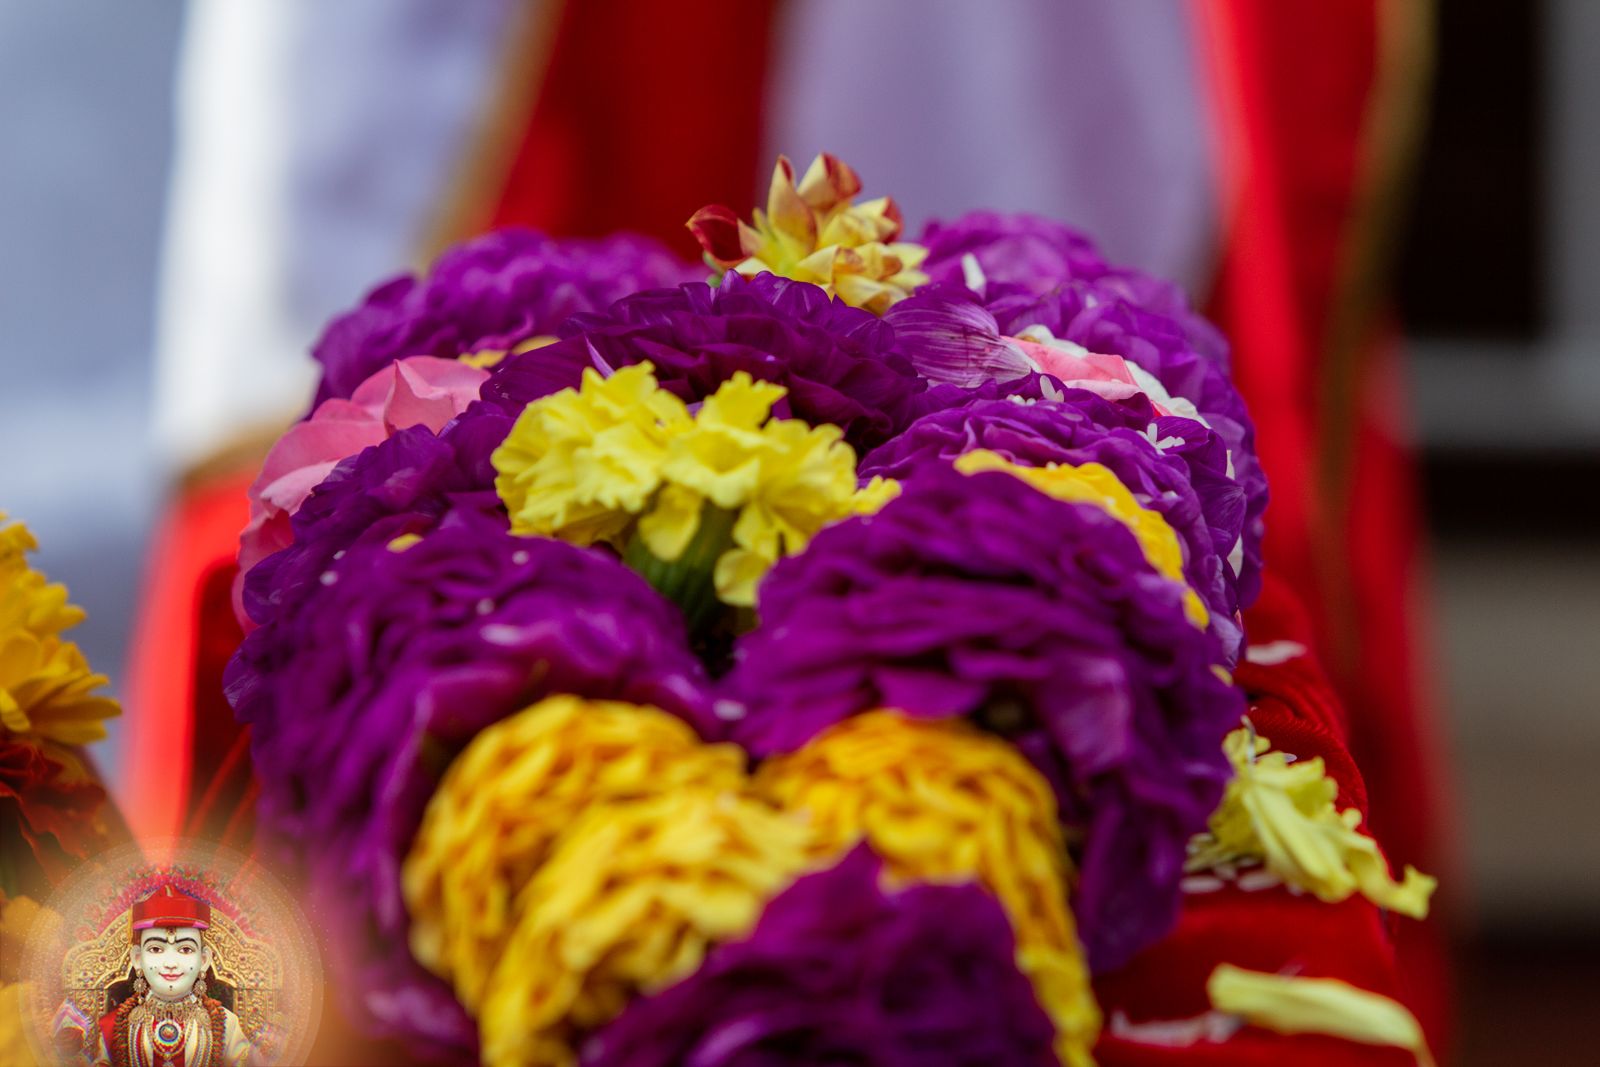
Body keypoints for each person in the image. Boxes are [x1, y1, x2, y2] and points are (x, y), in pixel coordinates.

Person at [86, 885, 259, 1067]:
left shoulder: (227, 1026)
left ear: (204, 960)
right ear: (137, 958)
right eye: (156, 949)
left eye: (185, 949)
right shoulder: (112, 1028)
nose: (170, 963)